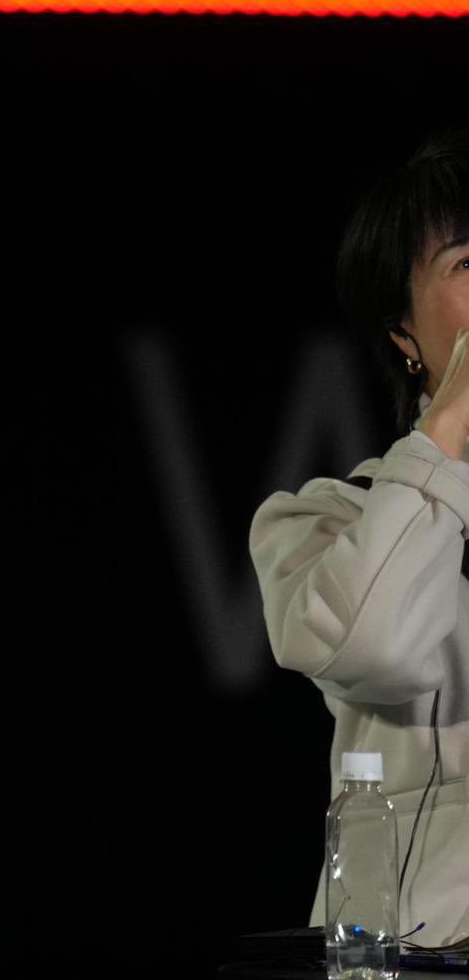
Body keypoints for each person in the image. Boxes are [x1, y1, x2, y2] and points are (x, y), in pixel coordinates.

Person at [250, 127, 469, 950]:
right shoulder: (326, 518)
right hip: (428, 949)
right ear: (402, 334)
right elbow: (378, 648)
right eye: (468, 265)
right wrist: (453, 422)